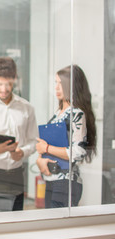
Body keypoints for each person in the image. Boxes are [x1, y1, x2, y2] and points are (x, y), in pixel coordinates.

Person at [0, 57, 38, 211]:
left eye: (9, 84)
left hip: (16, 175)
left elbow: (33, 141)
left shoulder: (27, 108)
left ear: (15, 79)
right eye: (0, 84)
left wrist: (22, 152)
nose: (4, 89)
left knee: (15, 222)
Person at [36, 64, 96, 208]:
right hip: (51, 179)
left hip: (65, 182)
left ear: (72, 85)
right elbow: (46, 146)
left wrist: (47, 148)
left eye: (60, 83)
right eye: (55, 83)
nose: (56, 87)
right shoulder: (58, 113)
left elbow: (78, 152)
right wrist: (40, 160)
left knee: (58, 227)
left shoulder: (76, 114)